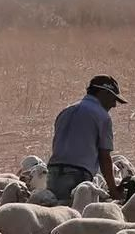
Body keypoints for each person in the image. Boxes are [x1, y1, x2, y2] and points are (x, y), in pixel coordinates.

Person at [47, 75, 126, 203]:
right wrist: (113, 189)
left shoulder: (66, 111)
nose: (114, 105)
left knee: (56, 216)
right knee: (76, 216)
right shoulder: (102, 117)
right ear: (103, 93)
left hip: (52, 172)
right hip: (78, 174)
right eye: (113, 98)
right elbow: (104, 156)